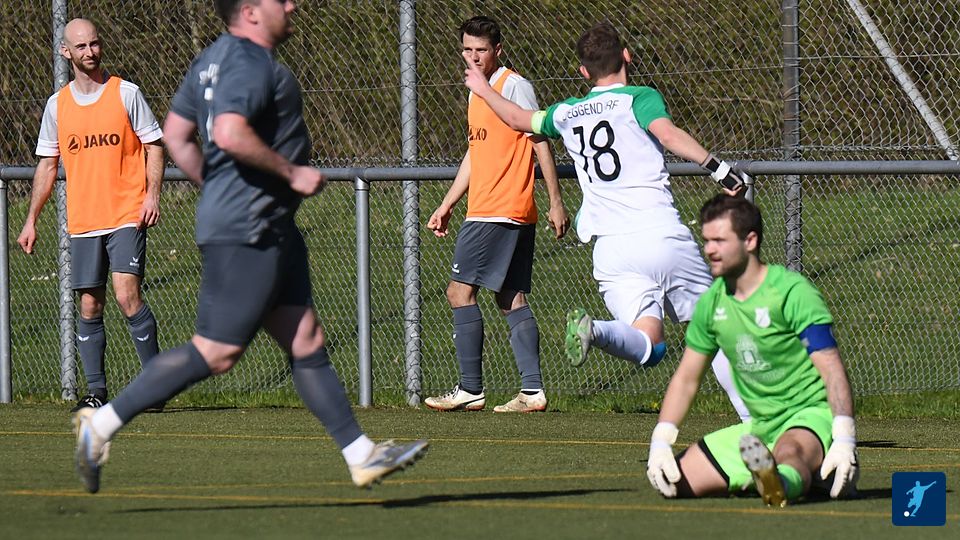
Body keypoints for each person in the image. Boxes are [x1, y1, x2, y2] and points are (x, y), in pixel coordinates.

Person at [71, 0, 428, 494]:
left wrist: (216, 186)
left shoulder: (212, 58)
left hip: (269, 225)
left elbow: (176, 133)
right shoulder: (249, 61)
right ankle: (101, 423)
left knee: (306, 341)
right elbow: (228, 130)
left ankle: (361, 454)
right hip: (248, 227)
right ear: (252, 11)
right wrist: (290, 172)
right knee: (216, 352)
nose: (292, 5)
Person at [461, 22, 749, 420]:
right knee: (716, 331)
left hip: (611, 251)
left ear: (583, 72)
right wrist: (719, 169)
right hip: (660, 235)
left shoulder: (567, 112)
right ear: (627, 56)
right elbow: (667, 135)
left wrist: (483, 88)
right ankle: (757, 426)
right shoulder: (640, 98)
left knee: (650, 346)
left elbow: (517, 118)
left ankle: (595, 329)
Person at [645, 194, 859, 507]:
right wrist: (661, 439)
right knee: (675, 481)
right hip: (760, 427)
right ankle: (796, 476)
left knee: (789, 452)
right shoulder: (712, 303)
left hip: (812, 416)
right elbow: (687, 378)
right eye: (706, 240)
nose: (709, 250)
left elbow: (832, 369)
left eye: (719, 240)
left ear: (750, 241)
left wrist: (844, 437)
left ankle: (783, 479)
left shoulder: (792, 292)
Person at [424, 16, 570, 413]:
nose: (473, 57)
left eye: (482, 50)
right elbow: (477, 152)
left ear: (498, 50)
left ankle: (470, 388)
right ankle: (532, 392)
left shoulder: (512, 85)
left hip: (499, 208)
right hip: (496, 209)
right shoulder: (478, 90)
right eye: (467, 50)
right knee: (509, 297)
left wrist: (556, 200)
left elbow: (540, 141)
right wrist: (448, 203)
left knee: (459, 292)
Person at [17, 18, 164, 412]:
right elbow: (48, 165)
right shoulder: (57, 105)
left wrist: (152, 196)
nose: (90, 52)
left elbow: (154, 145)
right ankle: (96, 390)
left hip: (127, 212)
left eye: (94, 44)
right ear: (66, 52)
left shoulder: (126, 93)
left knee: (126, 295)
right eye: (81, 46)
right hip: (84, 219)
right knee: (89, 306)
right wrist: (31, 219)